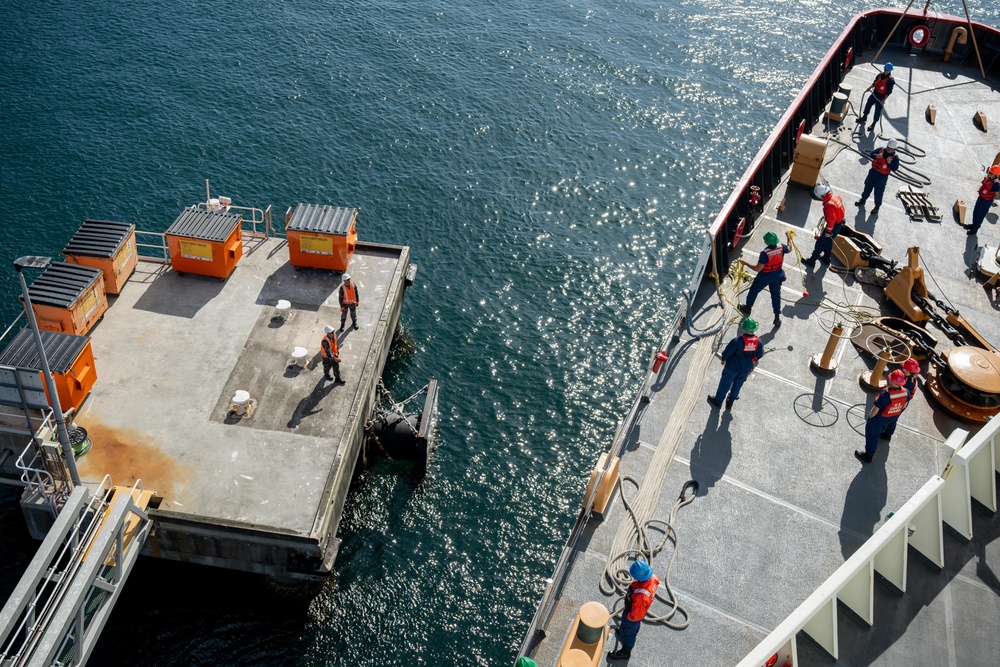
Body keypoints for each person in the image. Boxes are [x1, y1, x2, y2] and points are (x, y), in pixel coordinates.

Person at [608, 559, 660, 661]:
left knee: (630, 632)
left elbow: (637, 615)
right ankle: (623, 633)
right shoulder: (652, 578)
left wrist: (629, 617)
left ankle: (626, 651)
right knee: (626, 628)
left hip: (633, 615)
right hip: (632, 610)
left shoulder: (642, 596)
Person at [739, 230, 792, 327]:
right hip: (777, 275)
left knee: (754, 290)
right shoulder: (781, 247)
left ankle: (748, 307)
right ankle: (777, 318)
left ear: (766, 242)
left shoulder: (765, 253)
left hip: (765, 276)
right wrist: (789, 237)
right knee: (776, 296)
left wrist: (745, 263)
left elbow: (758, 268)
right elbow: (789, 249)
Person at [708, 318, 763, 411]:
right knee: (737, 385)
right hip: (746, 368)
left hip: (732, 366)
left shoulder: (737, 340)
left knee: (725, 384)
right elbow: (759, 355)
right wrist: (751, 360)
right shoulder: (758, 342)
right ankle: (730, 402)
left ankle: (718, 401)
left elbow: (728, 351)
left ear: (744, 329)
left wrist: (724, 359)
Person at [855, 369, 909, 463]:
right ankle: (887, 435)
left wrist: (870, 418)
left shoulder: (885, 395)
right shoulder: (906, 392)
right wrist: (896, 412)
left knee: (872, 435)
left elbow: (876, 409)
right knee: (892, 424)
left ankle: (868, 455)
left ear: (891, 381)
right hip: (893, 416)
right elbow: (905, 405)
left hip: (879, 420)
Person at [804, 183, 845, 267]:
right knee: (829, 241)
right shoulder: (836, 198)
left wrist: (828, 231)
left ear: (822, 195)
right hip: (839, 224)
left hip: (833, 227)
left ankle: (812, 260)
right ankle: (827, 257)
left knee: (821, 242)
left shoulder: (829, 204)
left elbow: (832, 219)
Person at [855, 139, 899, 215]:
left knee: (879, 192)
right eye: (888, 147)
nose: (888, 149)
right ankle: (863, 199)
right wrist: (876, 156)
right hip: (873, 172)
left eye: (891, 148)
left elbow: (895, 168)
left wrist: (890, 163)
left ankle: (877, 206)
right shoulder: (880, 150)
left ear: (894, 149)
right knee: (867, 186)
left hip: (882, 177)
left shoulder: (895, 158)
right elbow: (871, 153)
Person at [858, 63, 895, 132]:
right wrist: (869, 88)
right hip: (875, 93)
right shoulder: (880, 75)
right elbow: (875, 83)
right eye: (885, 69)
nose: (886, 70)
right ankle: (864, 116)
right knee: (868, 104)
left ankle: (874, 123)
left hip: (881, 97)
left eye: (887, 70)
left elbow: (888, 92)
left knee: (877, 110)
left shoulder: (890, 81)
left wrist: (883, 100)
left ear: (890, 71)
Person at [968, 165, 1000, 236]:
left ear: (995, 175)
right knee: (975, 212)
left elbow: (997, 195)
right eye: (989, 171)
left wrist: (990, 197)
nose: (989, 173)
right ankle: (973, 225)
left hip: (986, 201)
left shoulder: (996, 184)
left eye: (991, 173)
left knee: (980, 215)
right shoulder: (989, 178)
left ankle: (975, 229)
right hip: (981, 197)